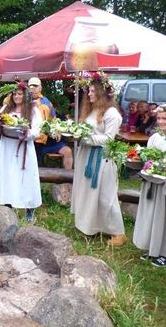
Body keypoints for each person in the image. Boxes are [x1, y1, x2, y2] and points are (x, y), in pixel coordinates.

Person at [70, 74, 126, 246]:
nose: (89, 94)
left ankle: (118, 233)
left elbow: (109, 139)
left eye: (93, 91)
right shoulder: (91, 110)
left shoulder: (112, 114)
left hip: (102, 159)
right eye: (89, 90)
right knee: (87, 192)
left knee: (105, 195)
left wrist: (87, 138)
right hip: (86, 156)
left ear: (102, 93)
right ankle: (90, 226)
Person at [0, 82, 43, 222]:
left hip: (23, 147)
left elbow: (37, 130)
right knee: (7, 175)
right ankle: (7, 206)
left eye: (20, 94)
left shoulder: (33, 110)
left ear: (26, 95)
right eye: (14, 94)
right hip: (7, 146)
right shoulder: (6, 108)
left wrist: (26, 134)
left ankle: (29, 209)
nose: (16, 96)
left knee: (26, 177)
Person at [133, 105, 166, 267]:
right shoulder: (155, 137)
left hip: (164, 184)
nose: (161, 122)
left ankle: (164, 252)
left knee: (163, 216)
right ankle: (152, 248)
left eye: (164, 119)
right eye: (159, 118)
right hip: (152, 180)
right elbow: (148, 156)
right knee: (152, 215)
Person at [28, 77, 73, 170]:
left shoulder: (46, 101)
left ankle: (67, 181)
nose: (32, 88)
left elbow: (54, 119)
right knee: (35, 164)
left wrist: (58, 131)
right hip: (33, 139)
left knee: (67, 151)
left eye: (35, 86)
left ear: (40, 88)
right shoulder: (24, 101)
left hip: (49, 138)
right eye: (30, 86)